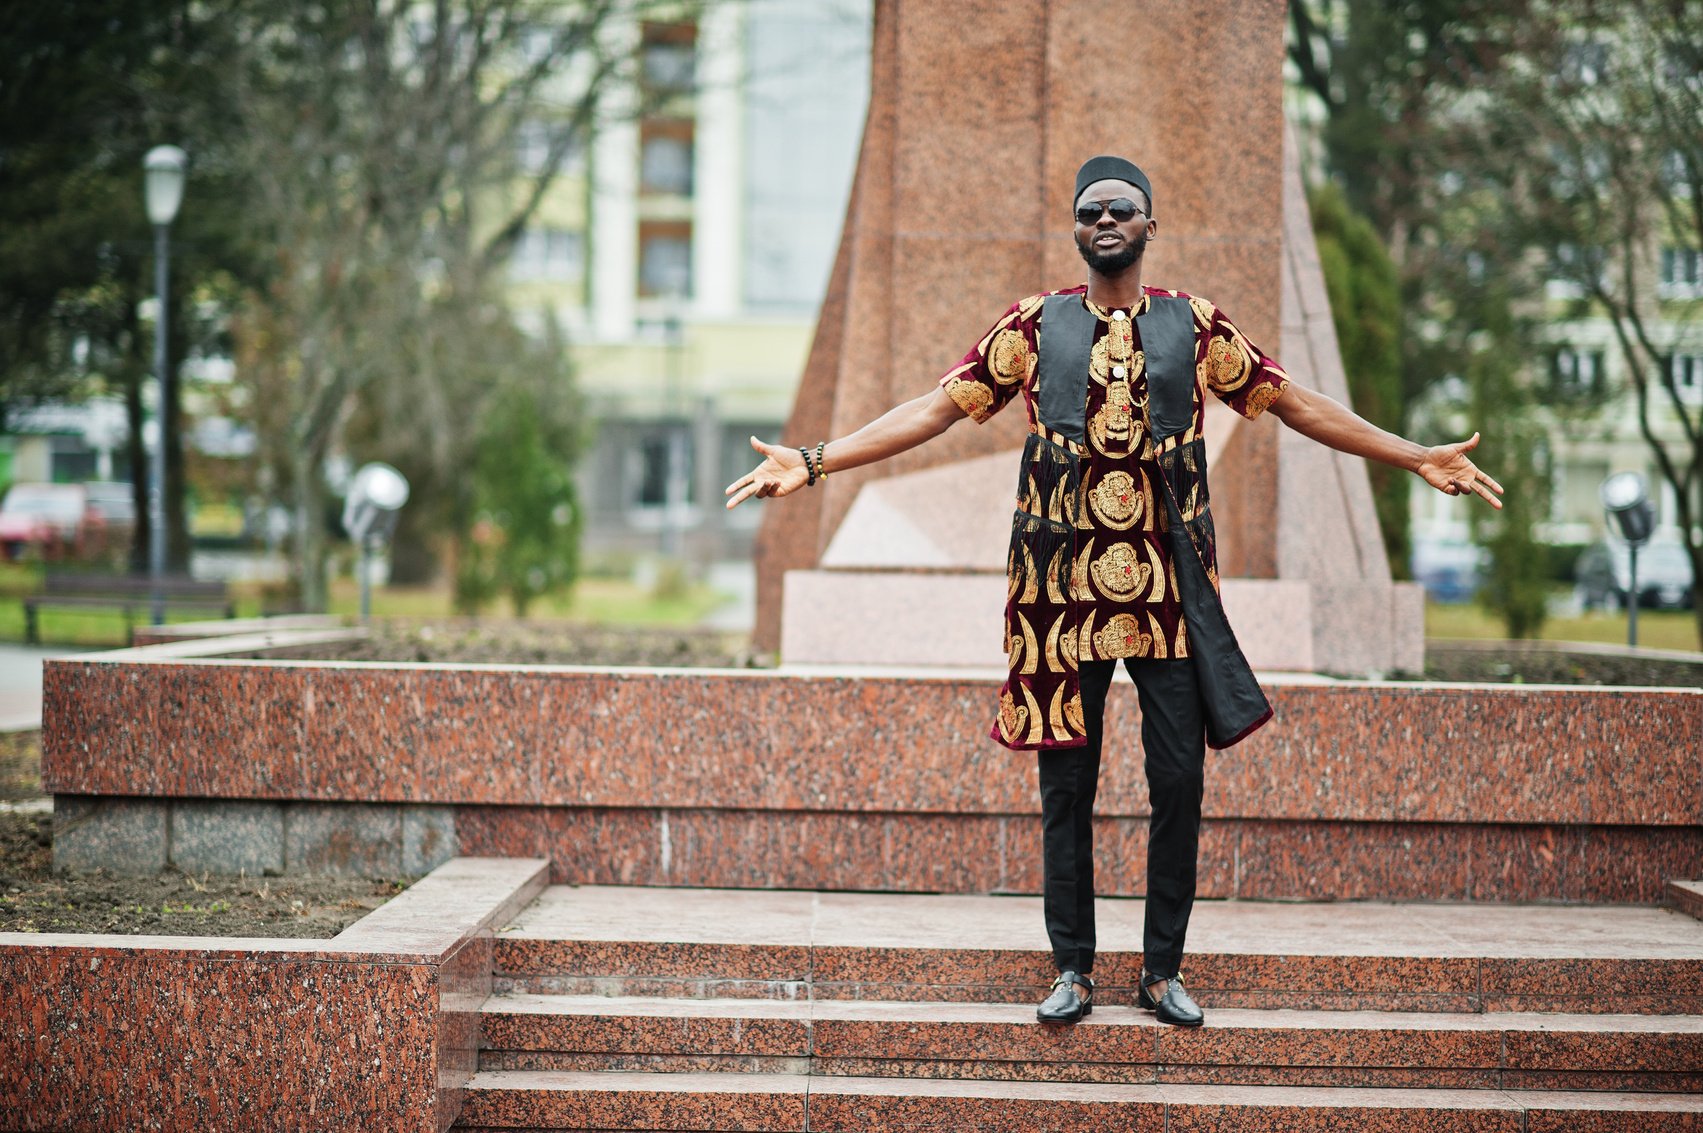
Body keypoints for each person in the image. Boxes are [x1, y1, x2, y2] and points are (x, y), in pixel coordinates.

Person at [725, 155, 1503, 1028]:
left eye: (1121, 209)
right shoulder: (1032, 325)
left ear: (1147, 226)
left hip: (1168, 601)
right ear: (1075, 227)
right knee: (1068, 788)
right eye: (1090, 209)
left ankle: (1162, 971)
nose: (1105, 220)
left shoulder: (1195, 326)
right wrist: (818, 460)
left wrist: (1411, 454)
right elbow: (935, 408)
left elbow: (1294, 403)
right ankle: (1073, 970)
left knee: (1176, 784)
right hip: (1060, 605)